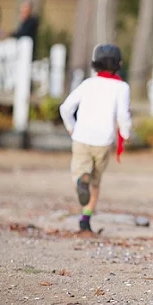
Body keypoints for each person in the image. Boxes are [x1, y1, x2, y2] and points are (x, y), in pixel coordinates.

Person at [58, 44, 132, 234]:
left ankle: (82, 178)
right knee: (96, 183)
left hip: (82, 136)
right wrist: (125, 134)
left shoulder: (88, 84)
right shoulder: (121, 87)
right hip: (103, 140)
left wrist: (71, 127)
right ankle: (85, 219)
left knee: (81, 172)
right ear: (119, 64)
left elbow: (66, 108)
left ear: (95, 64)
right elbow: (123, 116)